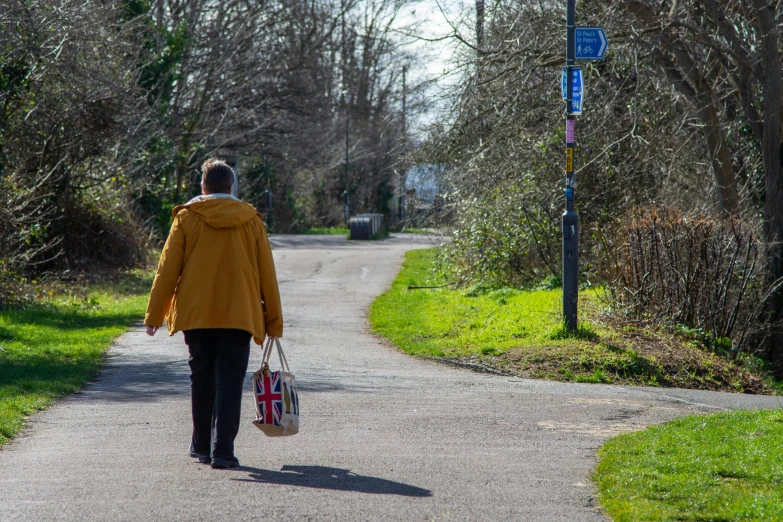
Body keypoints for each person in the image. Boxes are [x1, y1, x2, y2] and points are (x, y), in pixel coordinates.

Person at [144, 159, 283, 469]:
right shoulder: (251, 220)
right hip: (240, 315)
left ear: (203, 187)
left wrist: (155, 315)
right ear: (231, 187)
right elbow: (267, 275)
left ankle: (201, 446)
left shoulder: (187, 218)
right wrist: (274, 321)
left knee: (201, 378)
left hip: (197, 314)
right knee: (230, 381)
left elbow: (167, 271)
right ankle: (223, 451)